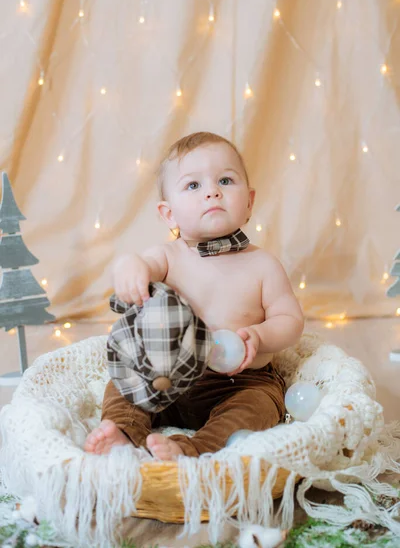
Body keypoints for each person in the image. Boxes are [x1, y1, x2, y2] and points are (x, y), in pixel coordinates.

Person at [84, 131, 304, 460]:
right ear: (168, 214)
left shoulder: (263, 264)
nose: (212, 192)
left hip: (239, 382)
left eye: (226, 180)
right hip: (167, 378)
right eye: (193, 185)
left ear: (250, 202)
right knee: (123, 383)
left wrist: (258, 336)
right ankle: (124, 431)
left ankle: (194, 450)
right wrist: (130, 267)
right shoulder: (168, 257)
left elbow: (291, 321)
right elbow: (141, 264)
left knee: (260, 405)